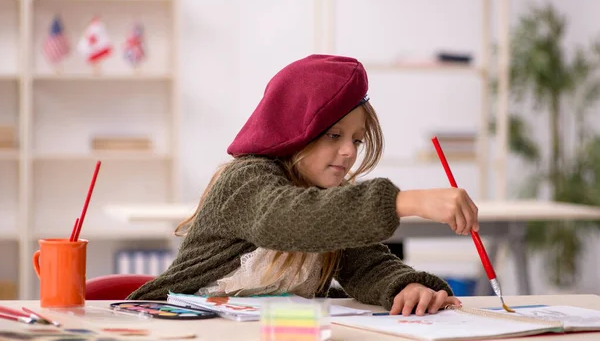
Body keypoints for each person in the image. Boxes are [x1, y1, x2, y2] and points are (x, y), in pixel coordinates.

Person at [127, 54, 480, 316]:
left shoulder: (334, 201)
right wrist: (406, 201)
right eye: (333, 135)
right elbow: (283, 218)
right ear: (293, 131)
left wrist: (407, 287)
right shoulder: (245, 180)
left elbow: (369, 265)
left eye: (356, 140)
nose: (348, 151)